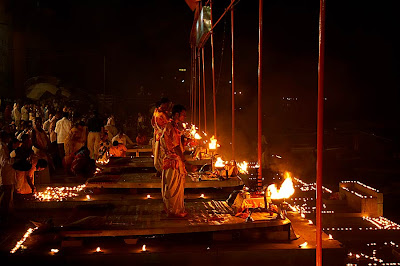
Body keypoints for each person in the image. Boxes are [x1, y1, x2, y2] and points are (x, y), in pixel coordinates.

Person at [161, 104, 188, 218]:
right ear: (176, 114)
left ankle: (173, 209)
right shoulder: (170, 127)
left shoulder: (174, 126)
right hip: (173, 161)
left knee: (174, 186)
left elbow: (178, 143)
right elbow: (175, 146)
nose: (184, 117)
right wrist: (183, 159)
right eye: (183, 115)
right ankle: (174, 211)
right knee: (173, 187)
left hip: (172, 159)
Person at [151, 98, 172, 174]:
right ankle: (162, 170)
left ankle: (160, 170)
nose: (167, 106)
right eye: (167, 105)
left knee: (159, 154)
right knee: (163, 155)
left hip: (158, 136)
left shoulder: (156, 111)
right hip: (162, 137)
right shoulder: (161, 113)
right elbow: (168, 124)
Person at [0, 131, 15, 224]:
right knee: (5, 196)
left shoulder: (3, 146)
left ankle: (5, 214)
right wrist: (13, 161)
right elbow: (4, 162)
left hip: (7, 175)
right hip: (5, 175)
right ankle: (4, 216)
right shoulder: (2, 147)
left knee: (7, 195)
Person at [31, 117, 51, 183]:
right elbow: (33, 142)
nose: (38, 123)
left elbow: (46, 140)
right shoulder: (34, 131)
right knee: (38, 166)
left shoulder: (42, 131)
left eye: (39, 122)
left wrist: (47, 147)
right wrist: (41, 148)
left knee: (44, 166)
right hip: (37, 151)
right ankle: (38, 181)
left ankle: (44, 181)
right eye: (37, 122)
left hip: (44, 150)